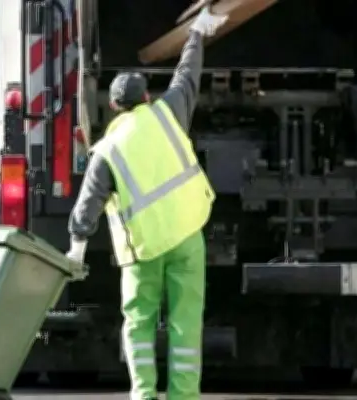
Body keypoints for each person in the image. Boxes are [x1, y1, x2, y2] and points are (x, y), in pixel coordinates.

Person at [65, 7, 227, 400]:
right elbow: (187, 75)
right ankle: (183, 396)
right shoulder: (169, 114)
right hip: (187, 236)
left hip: (143, 250)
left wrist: (77, 250)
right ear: (147, 97)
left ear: (113, 106)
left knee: (139, 322)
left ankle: (144, 394)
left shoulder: (107, 150)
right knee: (186, 322)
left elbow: (87, 205)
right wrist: (196, 34)